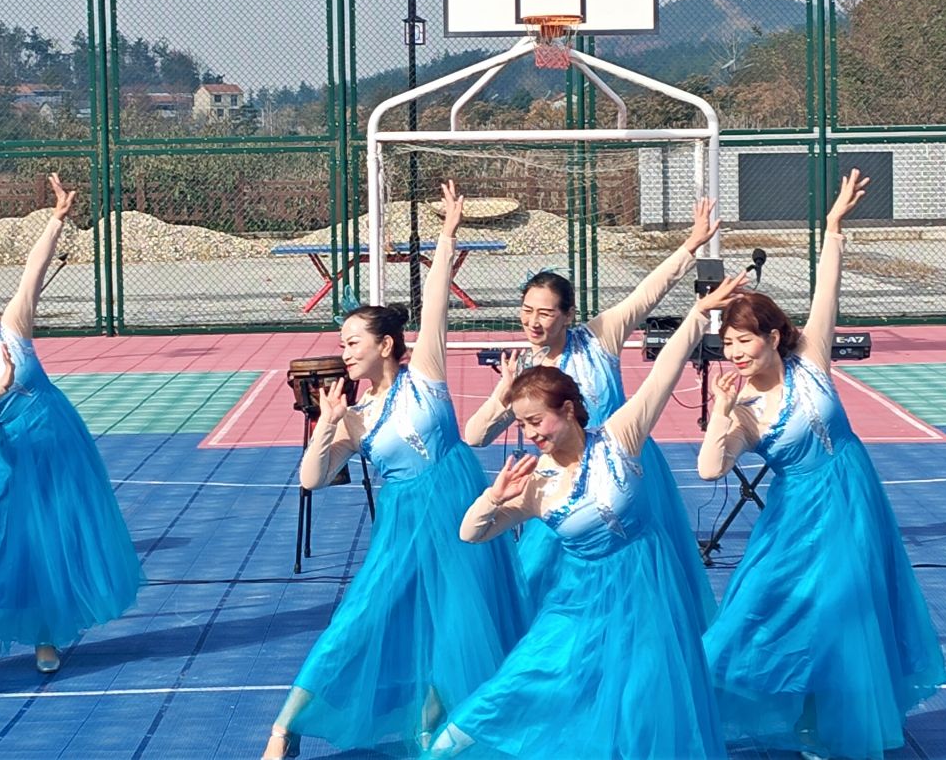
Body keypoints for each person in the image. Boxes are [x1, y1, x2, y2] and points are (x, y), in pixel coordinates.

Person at [428, 270, 752, 760]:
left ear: (568, 409)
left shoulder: (619, 437)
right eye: (523, 425)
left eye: (536, 421)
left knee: (645, 692)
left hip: (645, 585)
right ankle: (451, 742)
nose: (531, 434)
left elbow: (663, 373)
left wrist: (699, 311)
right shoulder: (536, 483)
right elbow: (471, 532)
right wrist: (493, 497)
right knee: (531, 671)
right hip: (577, 594)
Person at [264, 181, 529, 760]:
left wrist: (448, 234)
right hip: (403, 527)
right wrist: (327, 424)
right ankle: (285, 728)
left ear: (385, 345)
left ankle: (432, 734)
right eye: (342, 343)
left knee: (456, 630)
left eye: (352, 342)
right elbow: (310, 479)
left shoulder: (425, 374)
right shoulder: (355, 418)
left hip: (461, 514)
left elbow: (434, 306)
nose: (344, 351)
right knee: (358, 622)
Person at [698, 170, 946, 758]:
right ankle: (723, 701)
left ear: (773, 336)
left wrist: (833, 225)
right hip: (798, 518)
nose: (734, 352)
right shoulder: (744, 409)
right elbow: (710, 470)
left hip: (855, 499)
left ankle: (828, 726)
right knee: (777, 610)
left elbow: (826, 288)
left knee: (849, 613)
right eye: (727, 343)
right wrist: (719, 415)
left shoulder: (810, 357)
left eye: (744, 340)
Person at [0, 173, 141, 677]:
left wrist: (56, 220)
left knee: (51, 541)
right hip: (14, 458)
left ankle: (45, 634)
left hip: (60, 446)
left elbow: (32, 273)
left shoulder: (13, 332)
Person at [464, 199, 721, 617]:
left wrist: (689, 247)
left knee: (644, 581)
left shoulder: (598, 339)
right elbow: (475, 436)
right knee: (544, 584)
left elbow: (645, 296)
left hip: (622, 470)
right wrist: (502, 394)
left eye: (545, 313)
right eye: (526, 311)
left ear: (568, 315)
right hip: (562, 481)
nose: (533, 322)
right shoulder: (524, 372)